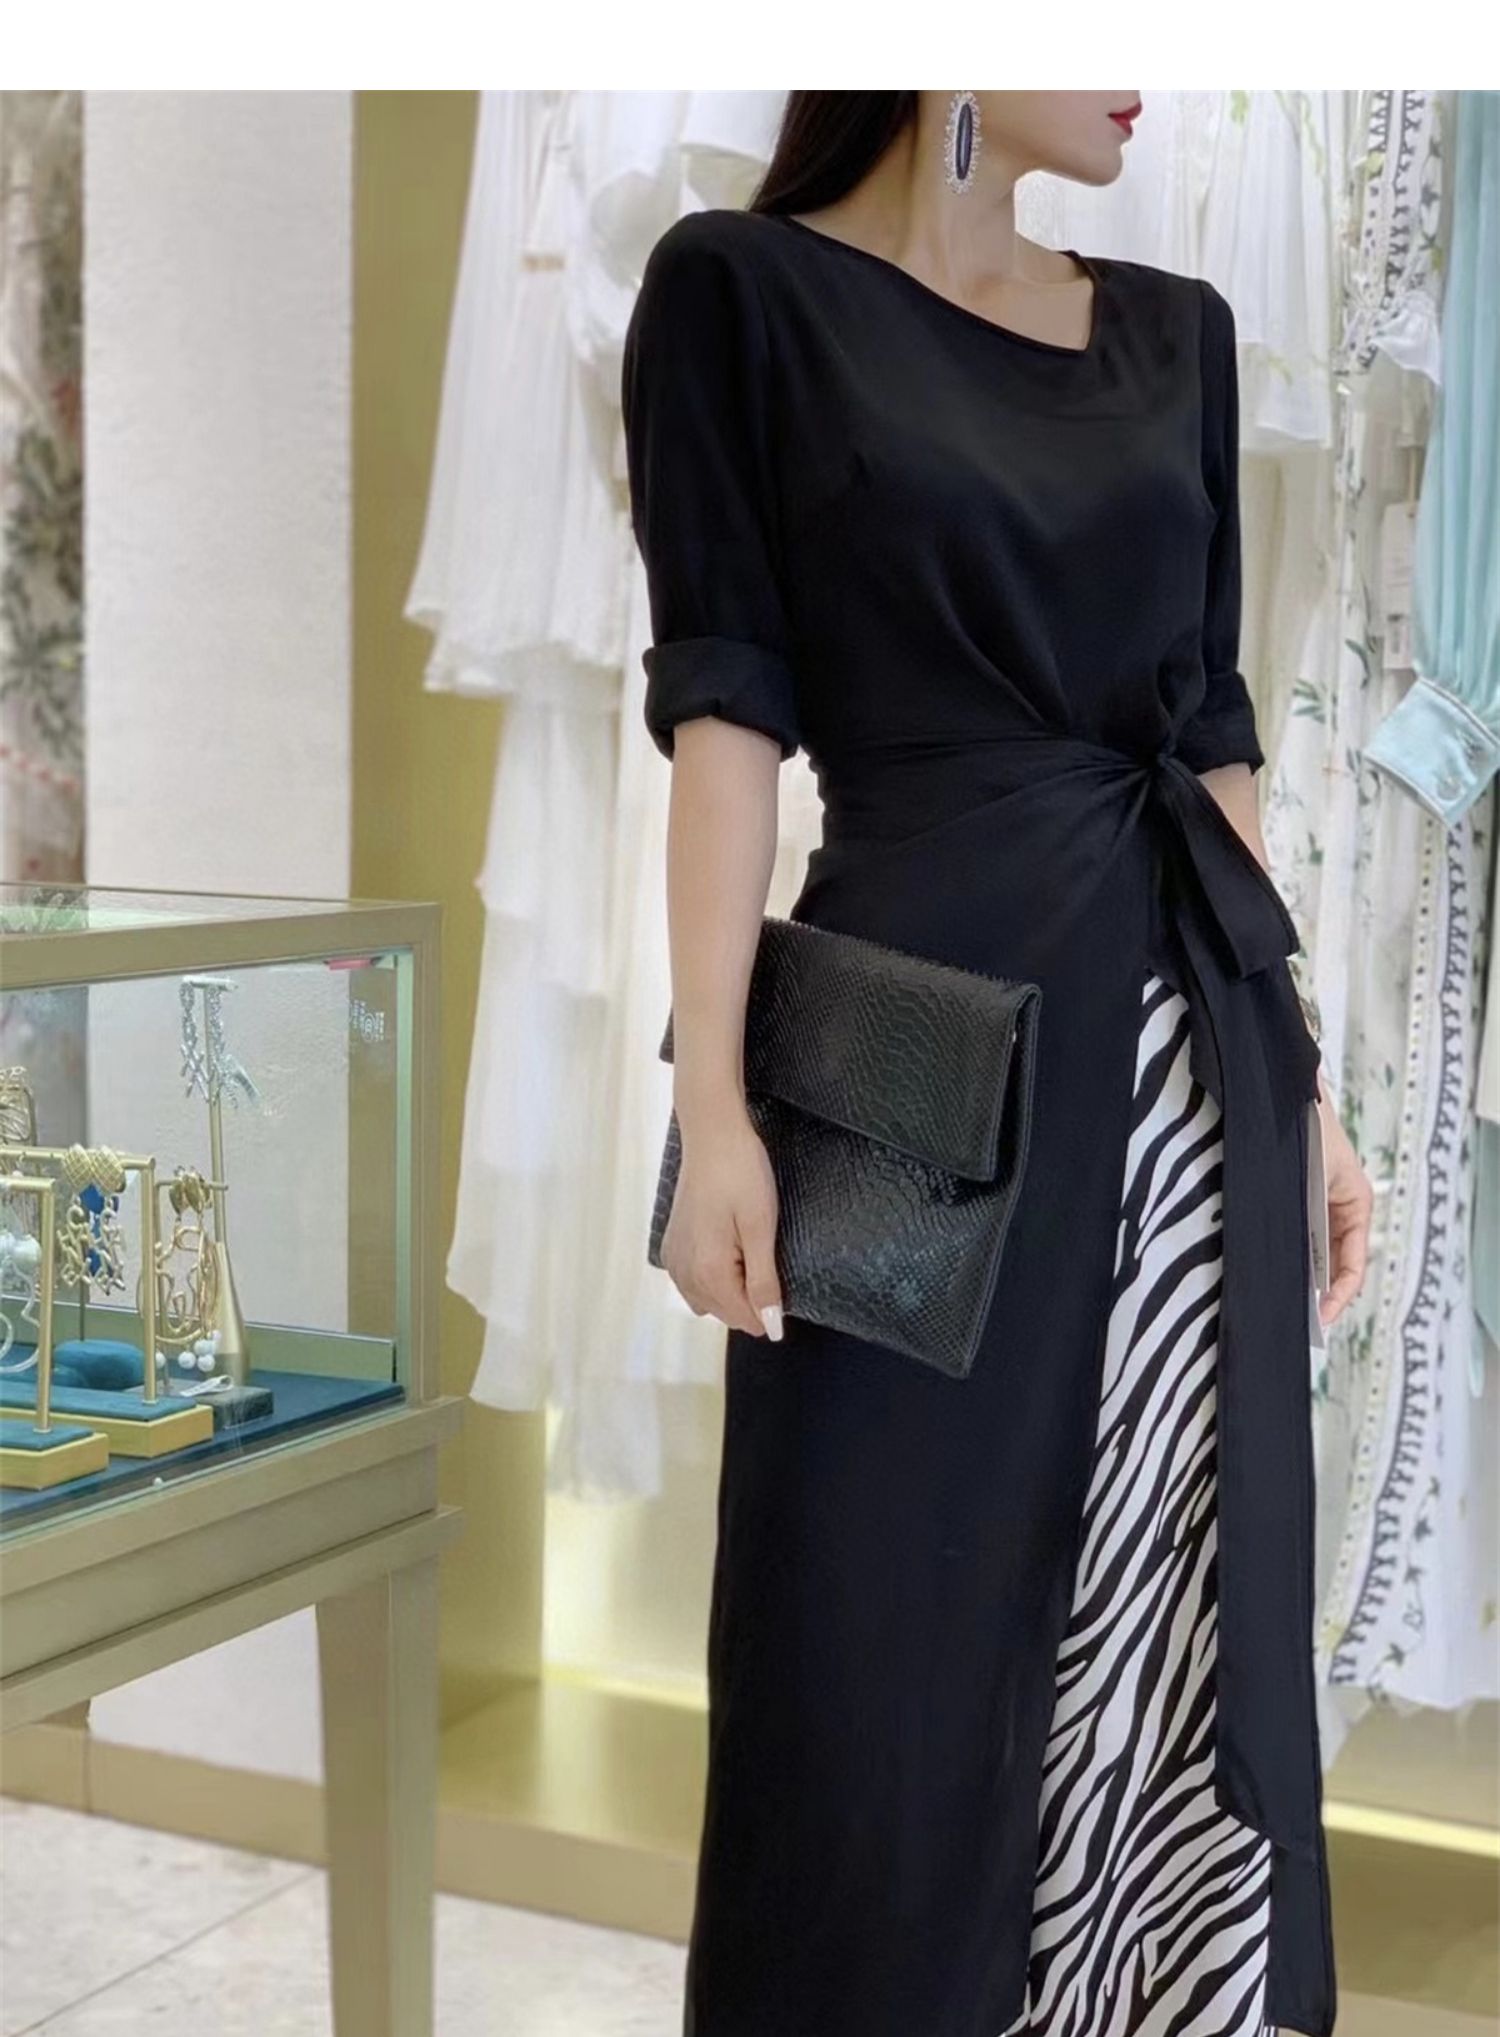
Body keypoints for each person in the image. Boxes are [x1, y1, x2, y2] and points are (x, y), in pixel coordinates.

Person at [621, 90, 1373, 2037]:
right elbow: (724, 727)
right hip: (919, 1079)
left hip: (1193, 1069)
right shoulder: (742, 295)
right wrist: (712, 1104)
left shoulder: (1179, 336)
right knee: (867, 1652)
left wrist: (1304, 1083)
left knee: (1175, 1619)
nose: (1145, 71)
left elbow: (1213, 738)